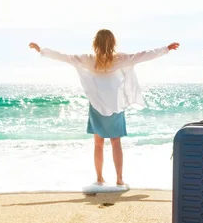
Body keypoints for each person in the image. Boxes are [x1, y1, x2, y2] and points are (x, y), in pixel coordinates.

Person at [29, 29, 179, 187]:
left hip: (97, 105)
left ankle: (100, 179)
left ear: (95, 44)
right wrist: (166, 49)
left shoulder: (89, 60)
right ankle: (119, 179)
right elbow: (143, 55)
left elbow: (65, 57)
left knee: (98, 143)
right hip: (115, 106)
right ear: (113, 43)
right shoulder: (119, 59)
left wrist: (42, 50)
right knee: (116, 143)